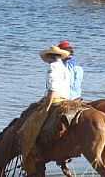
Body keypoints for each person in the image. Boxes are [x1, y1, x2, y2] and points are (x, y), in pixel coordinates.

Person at [18, 45, 71, 174]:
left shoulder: (52, 68)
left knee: (30, 126)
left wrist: (46, 106)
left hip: (56, 100)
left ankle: (36, 153)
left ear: (50, 57)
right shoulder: (64, 67)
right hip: (66, 99)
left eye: (47, 57)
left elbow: (52, 90)